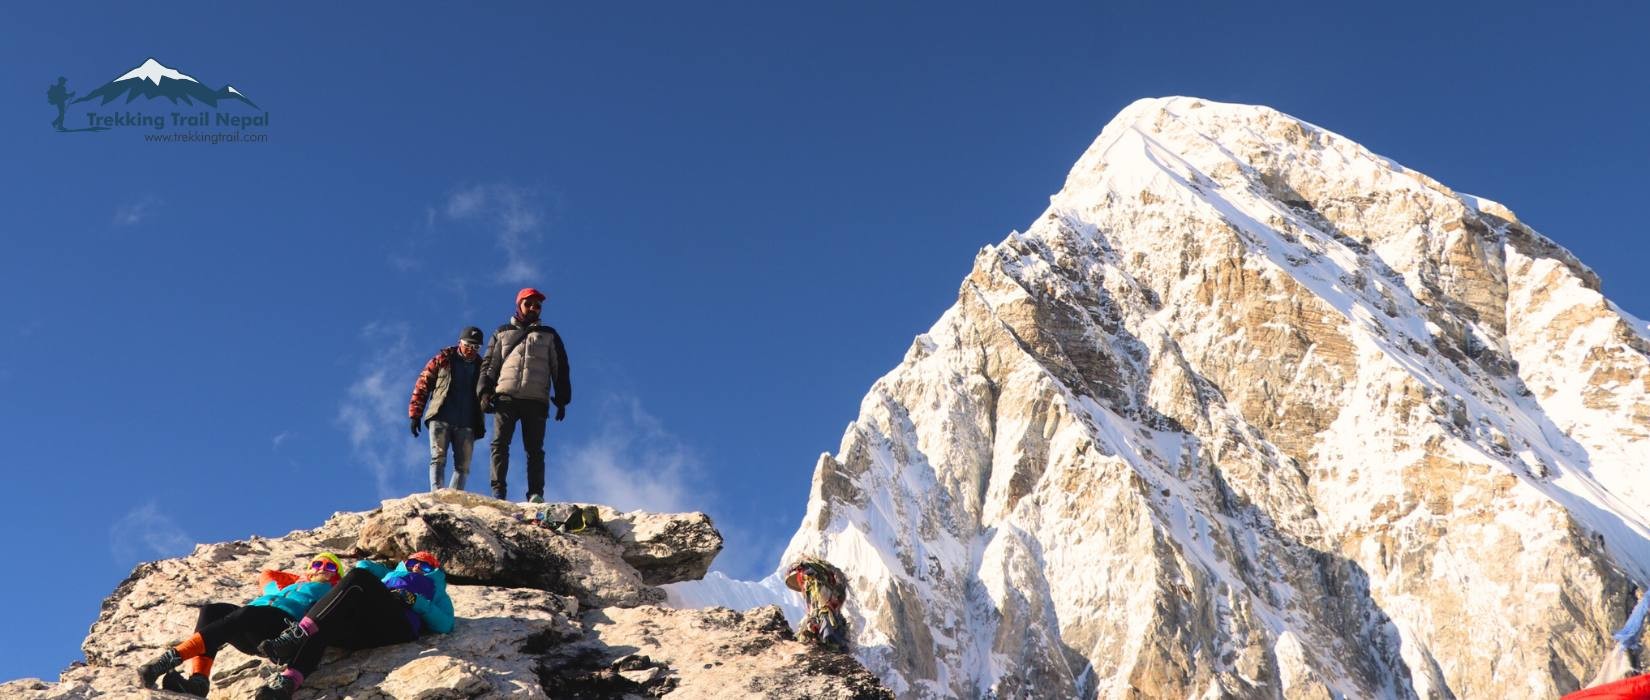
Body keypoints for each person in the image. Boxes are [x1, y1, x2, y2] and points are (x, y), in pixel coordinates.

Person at [135, 553, 344, 697]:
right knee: (211, 611)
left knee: (246, 613)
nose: (322, 568)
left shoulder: (331, 591)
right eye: (317, 564)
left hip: (281, 627)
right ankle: (199, 681)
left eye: (330, 566)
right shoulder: (278, 589)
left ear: (337, 576)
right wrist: (301, 578)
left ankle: (168, 660)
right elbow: (267, 574)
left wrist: (327, 580)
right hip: (250, 626)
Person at [253, 551, 455, 700]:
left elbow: (446, 624)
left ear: (434, 571)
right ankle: (287, 683)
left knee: (358, 578)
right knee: (327, 620)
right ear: (404, 563)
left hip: (398, 624)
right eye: (413, 562)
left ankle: (298, 635)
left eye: (426, 566)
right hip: (368, 625)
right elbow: (363, 566)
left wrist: (415, 601)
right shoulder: (388, 574)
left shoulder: (437, 589)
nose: (418, 567)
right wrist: (384, 570)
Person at [478, 287, 572, 502]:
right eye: (528, 304)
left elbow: (561, 368)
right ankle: (498, 492)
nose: (533, 308)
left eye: (537, 306)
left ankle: (536, 494)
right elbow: (490, 365)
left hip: (536, 400)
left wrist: (562, 400)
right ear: (519, 304)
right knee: (499, 445)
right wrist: (483, 392)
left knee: (535, 451)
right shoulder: (502, 332)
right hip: (505, 397)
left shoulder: (549, 335)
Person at [409, 326, 487, 491]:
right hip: (441, 416)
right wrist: (415, 414)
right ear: (460, 342)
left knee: (463, 466)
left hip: (468, 422)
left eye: (476, 347)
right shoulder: (443, 360)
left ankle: (453, 497)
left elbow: (490, 392)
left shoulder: (483, 368)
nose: (471, 350)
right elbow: (423, 384)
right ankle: (437, 494)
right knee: (438, 457)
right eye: (468, 345)